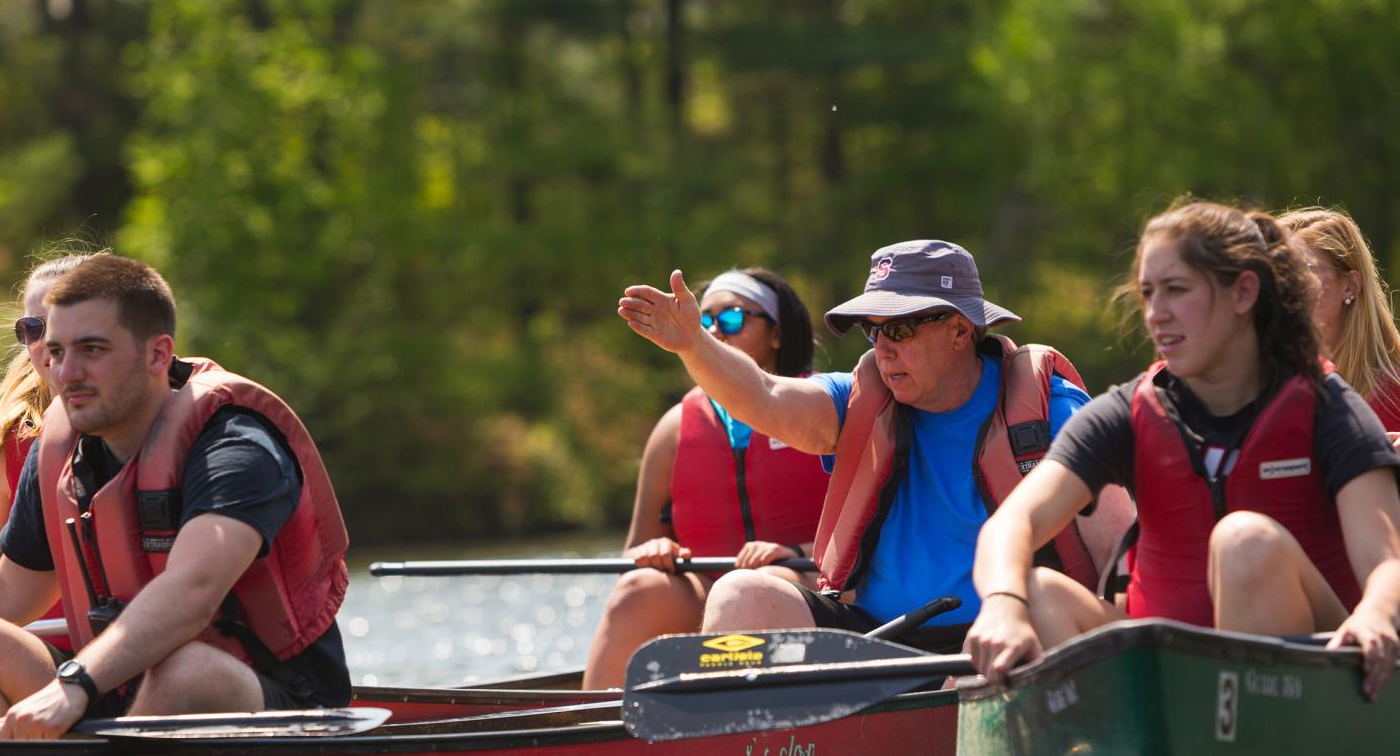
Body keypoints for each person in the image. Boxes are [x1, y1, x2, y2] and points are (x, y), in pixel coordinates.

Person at [0, 254, 351, 738]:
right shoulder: (62, 450)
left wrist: (74, 684)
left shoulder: (236, 446)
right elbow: (10, 591)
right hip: (113, 687)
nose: (66, 372)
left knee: (186, 668)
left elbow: (192, 593)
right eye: (55, 350)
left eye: (92, 350)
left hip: (282, 704)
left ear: (157, 354)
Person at [965, 201, 1400, 701]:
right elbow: (1012, 523)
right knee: (1036, 592)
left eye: (1176, 290)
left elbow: (1387, 564)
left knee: (1245, 542)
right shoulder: (1128, 410)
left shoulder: (1327, 407)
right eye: (1148, 294)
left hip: (1315, 681)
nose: (1156, 313)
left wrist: (1374, 615)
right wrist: (1001, 602)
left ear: (1244, 293)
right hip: (1171, 681)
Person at [619, 241, 1132, 653]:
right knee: (740, 595)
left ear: (959, 329)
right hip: (877, 639)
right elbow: (767, 395)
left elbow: (1119, 555)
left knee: (997, 655)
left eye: (902, 329)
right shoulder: (860, 401)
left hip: (1009, 635)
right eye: (873, 330)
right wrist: (693, 343)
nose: (883, 348)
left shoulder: (1048, 408)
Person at [582, 269, 830, 689]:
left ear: (776, 334)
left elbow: (876, 537)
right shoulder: (675, 428)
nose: (715, 331)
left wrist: (796, 551)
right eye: (704, 321)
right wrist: (653, 550)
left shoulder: (824, 409)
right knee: (639, 589)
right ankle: (592, 732)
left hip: (804, 578)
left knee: (756, 589)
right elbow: (631, 554)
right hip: (703, 589)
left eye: (731, 319)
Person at [0, 255, 93, 648]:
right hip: (34, 648)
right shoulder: (7, 443)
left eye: (64, 325)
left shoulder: (168, 429)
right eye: (33, 329)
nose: (47, 343)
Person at [1278, 206, 1400, 430]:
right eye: (1277, 273)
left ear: (1350, 286)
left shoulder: (1393, 393)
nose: (1287, 286)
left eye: (1304, 271)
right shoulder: (1264, 384)